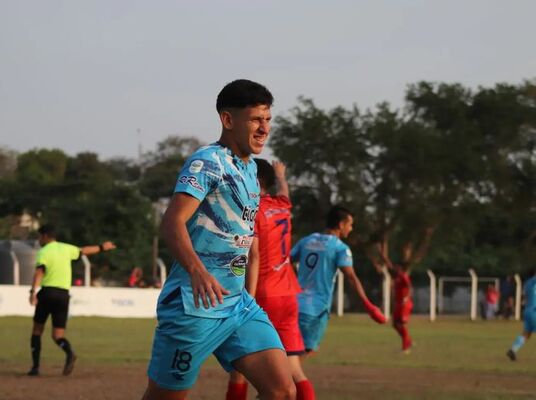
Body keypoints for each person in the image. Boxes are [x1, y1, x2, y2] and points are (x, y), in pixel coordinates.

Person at [141, 79, 295, 400]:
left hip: (238, 306)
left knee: (282, 391)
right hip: (194, 307)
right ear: (228, 120)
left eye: (267, 119)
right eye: (255, 119)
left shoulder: (251, 171)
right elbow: (172, 222)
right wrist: (198, 271)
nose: (264, 128)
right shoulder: (208, 162)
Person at [226, 160, 314, 400]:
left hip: (264, 293)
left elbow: (253, 256)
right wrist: (281, 175)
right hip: (288, 294)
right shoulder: (282, 206)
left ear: (256, 181)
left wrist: (248, 301)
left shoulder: (253, 209)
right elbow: (284, 192)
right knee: (294, 369)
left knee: (238, 370)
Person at [291, 206, 386, 357]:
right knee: (298, 360)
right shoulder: (339, 248)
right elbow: (351, 277)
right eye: (350, 224)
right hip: (315, 310)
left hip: (293, 305)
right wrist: (369, 306)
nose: (351, 228)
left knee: (286, 356)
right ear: (341, 225)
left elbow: (285, 261)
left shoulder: (307, 241)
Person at [27, 224, 116, 376]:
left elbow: (39, 272)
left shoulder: (44, 252)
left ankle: (35, 368)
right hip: (63, 295)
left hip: (48, 293)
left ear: (45, 236)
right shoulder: (66, 248)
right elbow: (84, 250)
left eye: (39, 237)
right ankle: (69, 352)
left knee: (37, 330)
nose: (39, 240)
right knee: (58, 336)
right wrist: (102, 247)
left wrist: (32, 291)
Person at [506, 269, 536, 361]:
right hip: (535, 310)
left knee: (526, 334)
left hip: (527, 311)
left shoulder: (527, 284)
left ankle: (513, 350)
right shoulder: (533, 282)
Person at [391, 263, 413, 353]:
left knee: (401, 324)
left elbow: (409, 286)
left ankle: (405, 348)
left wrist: (406, 297)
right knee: (395, 324)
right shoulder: (396, 278)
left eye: (397, 267)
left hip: (404, 303)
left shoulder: (404, 276)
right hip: (398, 303)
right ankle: (408, 341)